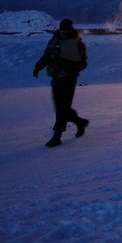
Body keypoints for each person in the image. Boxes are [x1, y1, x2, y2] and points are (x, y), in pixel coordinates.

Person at [33, 18, 90, 148]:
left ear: (70, 30)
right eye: (62, 30)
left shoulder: (76, 43)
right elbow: (47, 56)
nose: (64, 32)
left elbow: (83, 63)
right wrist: (38, 67)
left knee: (61, 109)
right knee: (61, 108)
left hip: (68, 80)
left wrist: (72, 67)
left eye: (66, 30)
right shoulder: (54, 41)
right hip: (56, 79)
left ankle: (57, 136)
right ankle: (80, 122)